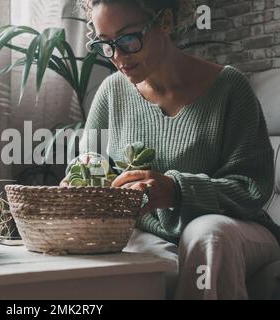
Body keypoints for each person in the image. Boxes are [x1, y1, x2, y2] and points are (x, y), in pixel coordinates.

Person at [61, 0, 280, 299]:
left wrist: (178, 190)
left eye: (127, 39)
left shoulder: (230, 88)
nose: (118, 56)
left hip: (235, 229)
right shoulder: (111, 93)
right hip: (149, 233)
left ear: (165, 22)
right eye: (106, 44)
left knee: (207, 234)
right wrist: (81, 184)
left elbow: (254, 190)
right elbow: (89, 168)